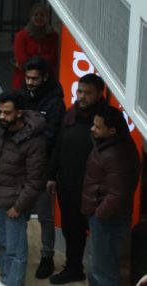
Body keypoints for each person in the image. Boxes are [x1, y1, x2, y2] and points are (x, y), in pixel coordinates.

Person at [47, 73, 106, 285]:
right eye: (80, 91)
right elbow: (58, 145)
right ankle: (73, 268)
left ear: (99, 94)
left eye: (87, 93)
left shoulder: (107, 119)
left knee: (99, 236)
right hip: (68, 184)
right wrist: (52, 175)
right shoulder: (70, 114)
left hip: (95, 190)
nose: (82, 96)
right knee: (72, 230)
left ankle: (100, 277)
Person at [0, 92, 47, 286]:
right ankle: (6, 280)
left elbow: (35, 181)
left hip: (15, 203)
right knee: (3, 244)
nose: (1, 117)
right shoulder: (1, 131)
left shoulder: (35, 141)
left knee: (16, 249)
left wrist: (19, 207)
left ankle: (15, 283)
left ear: (19, 113)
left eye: (7, 113)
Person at [81, 105, 140, 286]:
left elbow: (117, 194)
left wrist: (98, 214)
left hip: (108, 220)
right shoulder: (109, 143)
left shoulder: (117, 154)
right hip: (102, 217)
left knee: (104, 271)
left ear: (112, 130)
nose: (92, 129)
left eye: (98, 127)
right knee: (97, 266)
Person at [20, 56, 65, 279]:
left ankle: (47, 256)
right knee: (19, 212)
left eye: (34, 79)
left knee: (45, 216)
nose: (29, 82)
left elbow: (53, 139)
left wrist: (51, 174)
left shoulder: (55, 103)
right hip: (21, 165)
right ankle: (16, 252)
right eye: (27, 77)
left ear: (45, 77)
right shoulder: (23, 94)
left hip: (44, 167)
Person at [12, 3, 58, 89]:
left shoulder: (53, 36)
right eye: (36, 15)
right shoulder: (21, 36)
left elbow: (52, 59)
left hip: (46, 81)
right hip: (24, 79)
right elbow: (22, 61)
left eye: (42, 15)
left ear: (47, 18)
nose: (39, 17)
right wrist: (41, 60)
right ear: (31, 17)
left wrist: (32, 59)